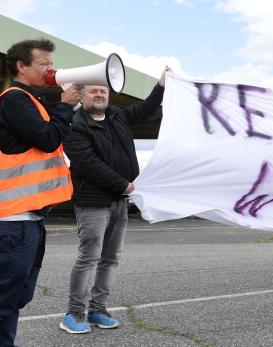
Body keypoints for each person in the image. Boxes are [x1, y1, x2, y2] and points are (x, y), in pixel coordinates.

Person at [59, 67, 170, 334]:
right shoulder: (74, 125)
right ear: (81, 97)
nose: (99, 95)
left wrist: (161, 86)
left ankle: (98, 309)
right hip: (93, 202)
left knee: (110, 259)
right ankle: (73, 313)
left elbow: (146, 109)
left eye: (103, 91)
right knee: (89, 257)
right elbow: (87, 163)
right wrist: (124, 184)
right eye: (93, 91)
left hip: (120, 201)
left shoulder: (118, 115)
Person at [0, 38, 81, 347]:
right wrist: (66, 106)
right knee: (6, 299)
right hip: (12, 221)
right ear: (21, 66)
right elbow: (48, 140)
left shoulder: (30, 101)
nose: (51, 68)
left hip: (28, 219)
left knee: (16, 296)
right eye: (44, 63)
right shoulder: (14, 99)